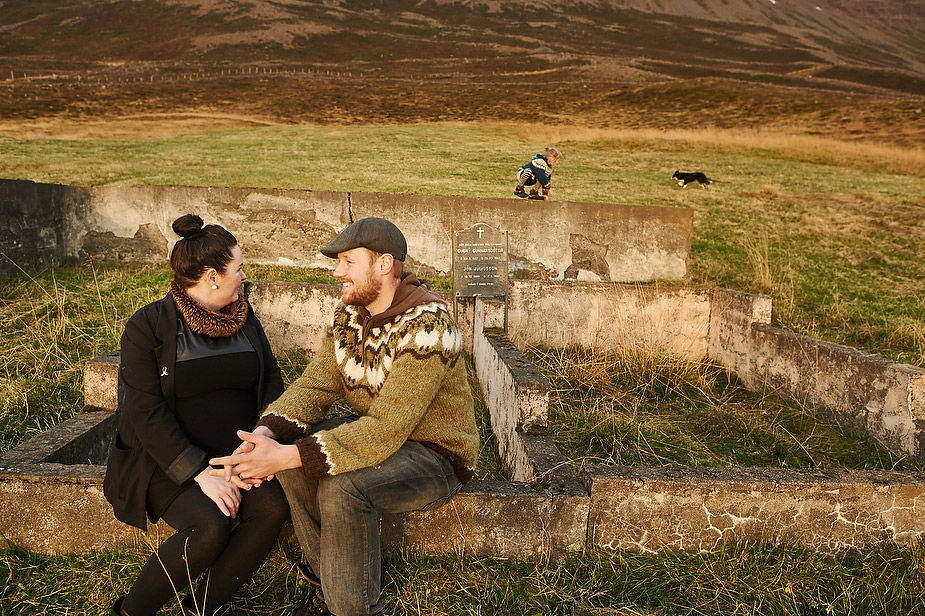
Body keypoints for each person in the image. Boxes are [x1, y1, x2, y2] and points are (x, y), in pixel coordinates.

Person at [210, 217, 479, 616]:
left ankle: (357, 609)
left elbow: (387, 428)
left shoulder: (429, 325)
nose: (338, 272)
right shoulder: (349, 317)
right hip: (382, 437)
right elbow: (315, 386)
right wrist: (262, 437)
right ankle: (328, 585)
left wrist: (286, 455)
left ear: (384, 264)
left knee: (342, 487)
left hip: (435, 455)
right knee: (292, 458)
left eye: (348, 262)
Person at [104, 214, 290, 616]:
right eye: (238, 268)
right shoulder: (148, 326)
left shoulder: (244, 316)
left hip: (235, 457)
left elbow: (271, 382)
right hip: (167, 462)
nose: (243, 276)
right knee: (210, 526)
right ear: (211, 276)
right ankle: (130, 612)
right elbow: (143, 411)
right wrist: (198, 472)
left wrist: (263, 441)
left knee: (274, 509)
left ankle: (201, 609)